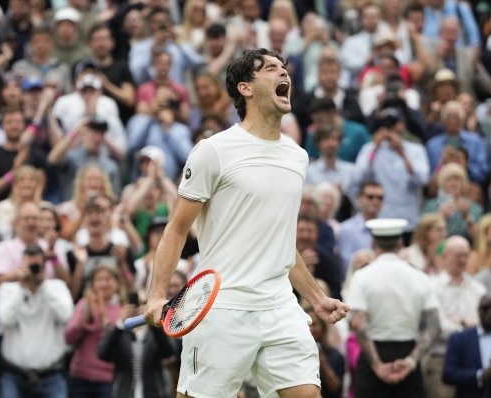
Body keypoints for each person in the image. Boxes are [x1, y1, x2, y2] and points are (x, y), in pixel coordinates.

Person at [143, 49, 349, 398]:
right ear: (246, 88)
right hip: (220, 308)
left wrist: (315, 297)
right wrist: (156, 294)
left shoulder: (297, 157)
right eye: (270, 69)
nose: (283, 73)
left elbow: (280, 242)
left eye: (284, 68)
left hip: (280, 307)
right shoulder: (213, 151)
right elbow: (176, 229)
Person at [348, 218, 440, 398]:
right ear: (400, 244)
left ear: (373, 244)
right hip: (407, 352)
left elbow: (358, 323)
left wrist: (376, 364)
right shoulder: (420, 277)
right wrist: (411, 362)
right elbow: (434, 325)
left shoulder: (361, 277)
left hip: (372, 354)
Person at [0, 244, 74, 398]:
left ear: (44, 266)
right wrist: (21, 286)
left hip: (51, 376)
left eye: (36, 266)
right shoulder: (8, 289)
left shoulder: (57, 287)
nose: (32, 270)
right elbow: (5, 319)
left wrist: (42, 286)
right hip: (14, 376)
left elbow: (66, 316)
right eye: (28, 266)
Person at [347, 108, 430, 236]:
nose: (391, 130)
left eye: (394, 124)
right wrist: (375, 148)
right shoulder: (370, 149)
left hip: (407, 219)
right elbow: (358, 177)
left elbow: (423, 180)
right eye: (387, 126)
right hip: (379, 218)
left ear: (402, 125)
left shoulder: (416, 150)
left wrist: (402, 153)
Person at [427, 236, 486, 398]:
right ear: (444, 257)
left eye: (465, 255)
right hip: (442, 358)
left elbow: (488, 324)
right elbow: (440, 327)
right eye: (457, 255)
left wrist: (461, 322)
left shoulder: (477, 288)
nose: (462, 260)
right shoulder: (432, 287)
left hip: (473, 360)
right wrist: (472, 326)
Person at [98, 291, 177, 398]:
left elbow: (169, 352)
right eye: (135, 302)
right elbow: (103, 353)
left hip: (154, 392)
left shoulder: (155, 333)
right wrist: (120, 324)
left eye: (144, 302)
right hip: (123, 392)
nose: (139, 306)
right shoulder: (121, 333)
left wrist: (152, 322)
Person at [65, 264, 124, 398]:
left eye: (108, 279)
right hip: (81, 376)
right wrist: (86, 317)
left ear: (117, 282)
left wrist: (103, 316)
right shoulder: (84, 304)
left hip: (109, 379)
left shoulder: (122, 309)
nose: (103, 284)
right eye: (99, 279)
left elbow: (116, 344)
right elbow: (69, 338)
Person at [0, 105, 49, 201]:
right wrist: (15, 171)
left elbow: (39, 188)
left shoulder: (37, 156)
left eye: (18, 122)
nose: (14, 126)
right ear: (2, 126)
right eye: (9, 122)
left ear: (24, 125)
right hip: (1, 208)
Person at [0, 202, 68, 285]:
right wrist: (17, 273)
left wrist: (54, 259)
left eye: (35, 219)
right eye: (26, 219)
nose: (31, 223)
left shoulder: (52, 247)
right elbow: (0, 281)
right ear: (17, 222)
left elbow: (66, 282)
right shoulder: (4, 248)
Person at [48, 118, 120, 203]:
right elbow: (52, 159)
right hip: (71, 211)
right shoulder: (72, 158)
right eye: (93, 132)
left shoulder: (110, 166)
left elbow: (114, 197)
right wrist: (74, 133)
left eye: (101, 133)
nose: (97, 138)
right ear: (84, 132)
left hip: (99, 212)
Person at [425, 101, 489, 185]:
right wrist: (442, 163)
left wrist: (466, 167)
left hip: (469, 187)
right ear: (442, 120)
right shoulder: (432, 145)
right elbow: (430, 178)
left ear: (463, 120)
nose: (452, 121)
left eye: (456, 117)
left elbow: (483, 173)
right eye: (448, 117)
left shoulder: (475, 141)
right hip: (441, 189)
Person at [87, 23, 136, 125]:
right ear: (90, 44)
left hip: (120, 122)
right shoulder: (84, 68)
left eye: (104, 39)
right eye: (97, 40)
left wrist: (106, 85)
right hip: (91, 122)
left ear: (112, 43)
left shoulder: (121, 67)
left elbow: (129, 99)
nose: (101, 44)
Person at [421, 163, 483, 239]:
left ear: (463, 182)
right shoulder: (431, 205)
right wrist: (441, 215)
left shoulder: (473, 207)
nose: (453, 184)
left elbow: (479, 238)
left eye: (457, 179)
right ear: (442, 182)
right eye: (449, 180)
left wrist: (467, 217)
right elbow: (424, 235)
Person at [11, 26, 72, 94]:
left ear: (52, 44)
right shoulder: (19, 67)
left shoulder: (62, 68)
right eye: (36, 41)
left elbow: (68, 94)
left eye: (44, 41)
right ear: (30, 43)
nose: (40, 45)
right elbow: (16, 93)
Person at [338, 181, 384, 273]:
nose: (375, 201)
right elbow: (346, 266)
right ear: (360, 198)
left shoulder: (386, 227)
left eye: (380, 198)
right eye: (370, 197)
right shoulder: (346, 229)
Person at [297, 214, 342, 300]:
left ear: (317, 234)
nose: (305, 236)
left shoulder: (328, 262)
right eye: (301, 231)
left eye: (310, 231)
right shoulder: (285, 259)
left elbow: (336, 295)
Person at [305, 306, 344, 398]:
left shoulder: (334, 356)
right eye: (307, 324)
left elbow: (336, 389)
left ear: (322, 327)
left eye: (314, 324)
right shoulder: (294, 354)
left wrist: (323, 364)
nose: (310, 329)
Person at [305, 123, 354, 188]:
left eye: (335, 139)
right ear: (318, 142)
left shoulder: (351, 171)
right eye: (326, 139)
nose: (331, 143)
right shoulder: (309, 172)